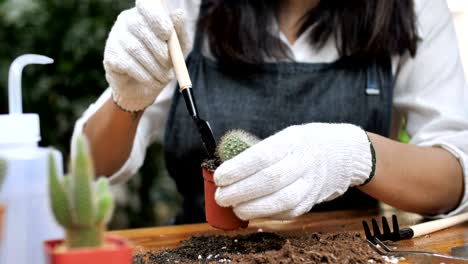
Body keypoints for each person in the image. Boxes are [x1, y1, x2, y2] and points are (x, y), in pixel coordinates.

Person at [74, 0, 468, 224]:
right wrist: (127, 99)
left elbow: (454, 176)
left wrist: (354, 154)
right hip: (201, 248)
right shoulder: (187, 6)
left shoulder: (414, 8)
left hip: (349, 251)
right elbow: (90, 166)